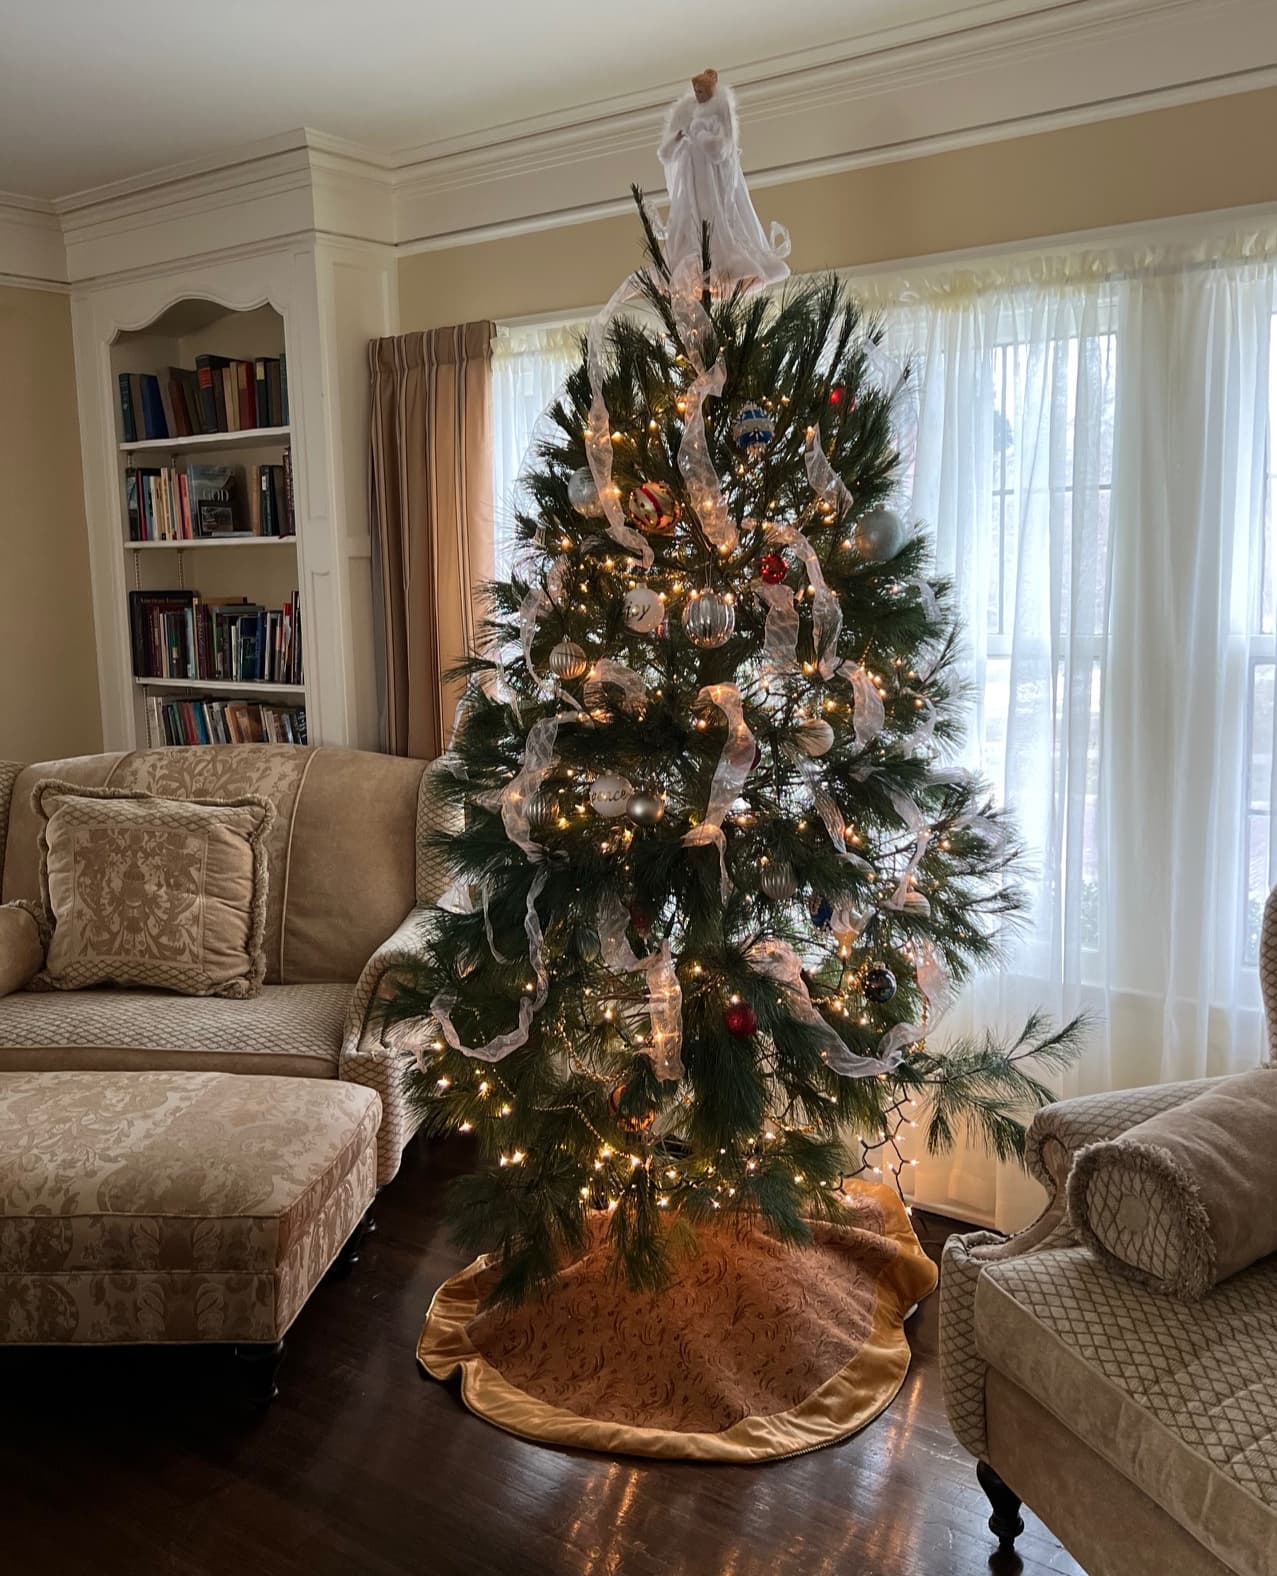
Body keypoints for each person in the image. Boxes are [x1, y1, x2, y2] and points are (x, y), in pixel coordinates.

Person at [657, 68, 791, 294]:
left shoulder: (717, 114)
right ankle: (693, 263)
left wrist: (700, 134)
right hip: (692, 179)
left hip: (713, 180)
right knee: (693, 218)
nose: (698, 95)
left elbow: (720, 150)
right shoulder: (687, 113)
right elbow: (667, 153)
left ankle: (725, 263)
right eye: (696, 91)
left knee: (717, 216)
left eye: (702, 91)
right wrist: (681, 137)